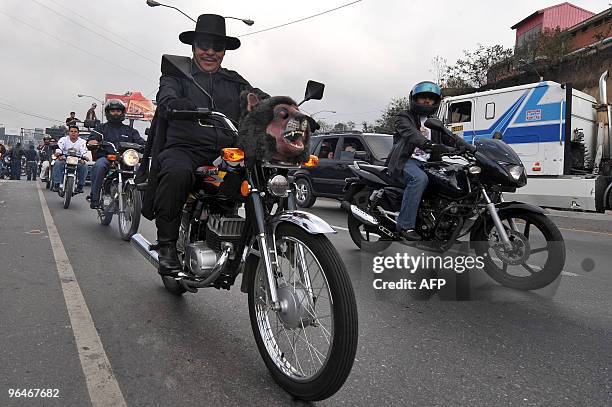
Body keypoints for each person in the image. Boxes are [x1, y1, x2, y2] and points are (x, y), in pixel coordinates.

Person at [139, 14, 256, 276]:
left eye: (218, 47)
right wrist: (175, 102)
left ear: (224, 52)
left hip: (225, 153)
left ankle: (254, 240)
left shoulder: (234, 81)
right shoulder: (177, 75)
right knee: (176, 172)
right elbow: (165, 95)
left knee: (261, 177)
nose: (211, 52)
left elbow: (255, 97)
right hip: (186, 149)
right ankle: (167, 246)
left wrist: (284, 110)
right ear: (193, 48)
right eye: (204, 45)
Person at [386, 81, 460, 241]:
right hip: (406, 161)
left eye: (431, 98)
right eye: (423, 97)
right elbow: (412, 135)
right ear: (414, 99)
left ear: (436, 102)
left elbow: (450, 137)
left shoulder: (434, 122)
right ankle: (404, 226)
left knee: (455, 177)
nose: (427, 101)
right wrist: (431, 145)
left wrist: (469, 147)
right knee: (419, 179)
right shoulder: (403, 117)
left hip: (428, 163)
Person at [87, 99, 145, 208]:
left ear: (122, 112)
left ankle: (139, 199)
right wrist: (93, 142)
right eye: (113, 111)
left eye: (118, 111)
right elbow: (92, 138)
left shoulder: (130, 130)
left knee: (140, 170)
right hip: (107, 158)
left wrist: (146, 146)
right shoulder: (101, 128)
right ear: (108, 112)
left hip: (125, 160)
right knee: (99, 166)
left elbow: (140, 142)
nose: (115, 113)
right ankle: (94, 198)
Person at [52, 126, 88, 192]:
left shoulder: (83, 142)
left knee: (84, 166)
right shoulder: (63, 139)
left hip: (77, 160)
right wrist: (59, 154)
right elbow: (59, 148)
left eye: (75, 132)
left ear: (78, 133)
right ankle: (57, 183)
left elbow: (84, 151)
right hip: (65, 159)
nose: (73, 133)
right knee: (57, 163)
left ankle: (80, 185)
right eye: (71, 131)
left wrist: (84, 158)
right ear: (68, 132)